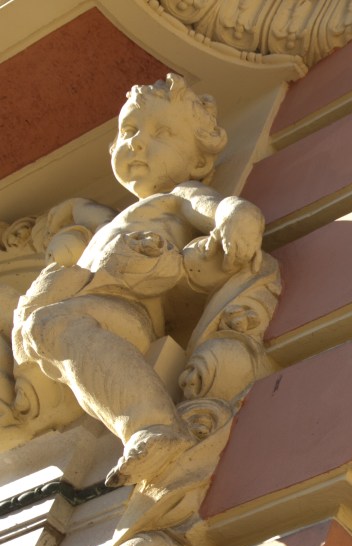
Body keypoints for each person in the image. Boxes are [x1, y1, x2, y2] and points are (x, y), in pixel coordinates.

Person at [6, 73, 264, 487]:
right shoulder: (119, 217)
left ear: (198, 162)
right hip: (87, 310)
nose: (138, 142)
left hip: (127, 310)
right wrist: (77, 209)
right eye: (129, 130)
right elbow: (100, 225)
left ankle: (154, 427)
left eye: (161, 133)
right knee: (43, 326)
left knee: (47, 325)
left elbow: (219, 207)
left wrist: (239, 218)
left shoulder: (176, 196)